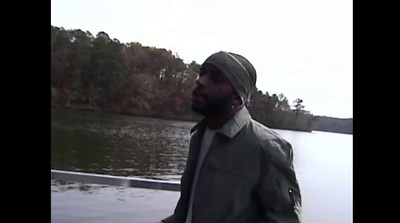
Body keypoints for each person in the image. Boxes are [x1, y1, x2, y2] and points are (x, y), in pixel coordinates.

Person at [160, 51, 301, 223]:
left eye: (216, 78)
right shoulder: (198, 135)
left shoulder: (267, 147)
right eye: (203, 73)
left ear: (237, 97)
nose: (200, 81)